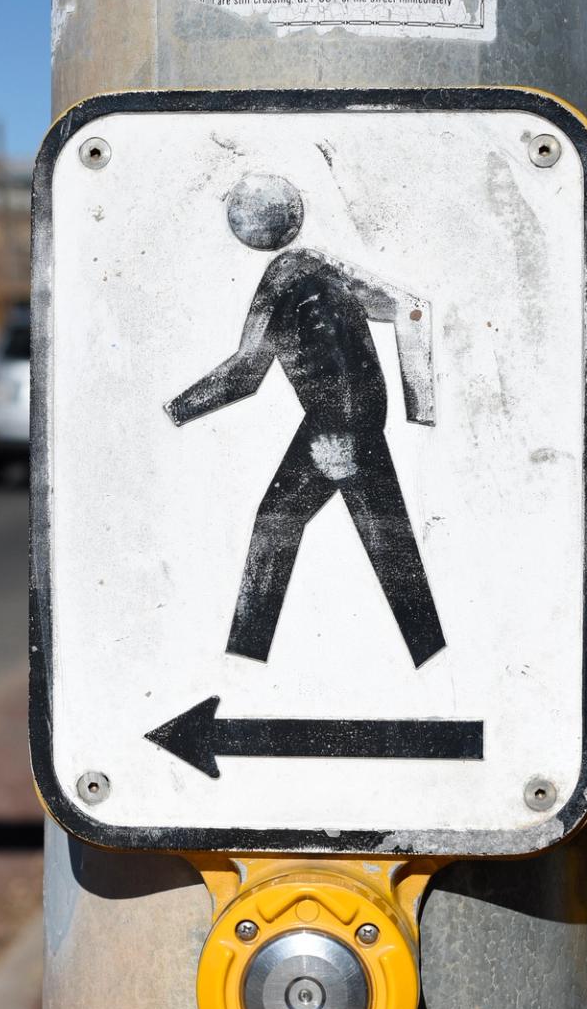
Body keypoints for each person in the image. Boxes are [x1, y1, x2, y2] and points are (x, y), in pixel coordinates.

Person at [166, 172, 446, 667]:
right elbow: (411, 308)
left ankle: (241, 664)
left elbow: (245, 375)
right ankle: (434, 657)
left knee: (277, 525)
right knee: (387, 540)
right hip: (363, 418)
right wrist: (417, 408)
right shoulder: (319, 265)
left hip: (333, 424)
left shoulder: (280, 279)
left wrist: (178, 410)